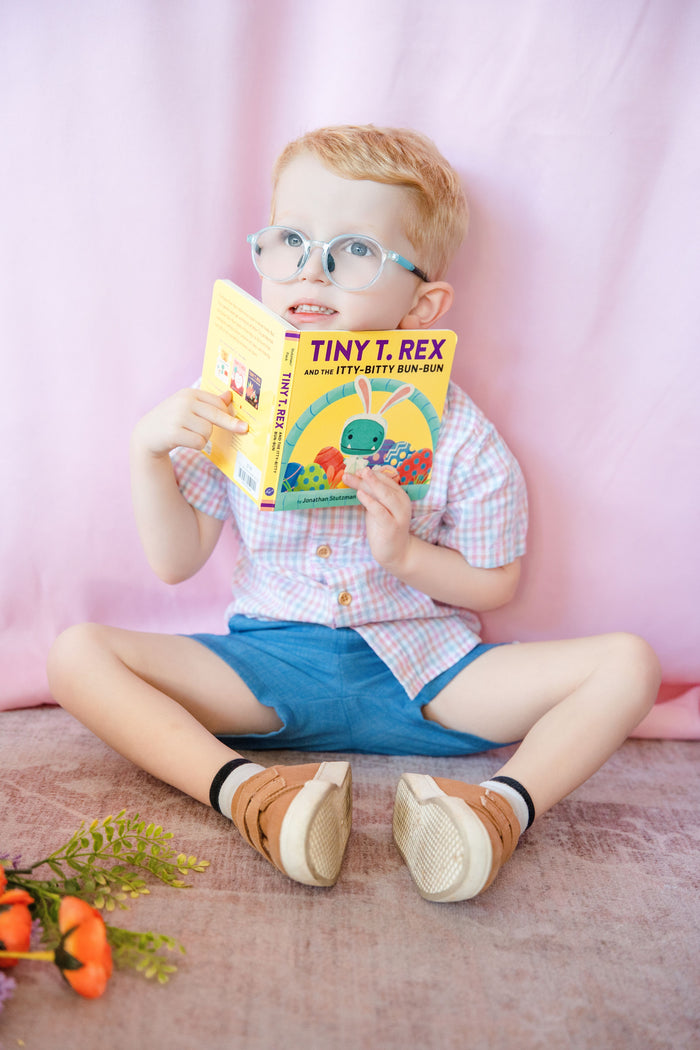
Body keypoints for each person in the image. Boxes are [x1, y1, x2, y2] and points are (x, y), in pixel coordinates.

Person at [47, 125, 661, 902]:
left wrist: (406, 556)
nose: (311, 269)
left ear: (421, 304)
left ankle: (496, 809)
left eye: (353, 252)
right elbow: (175, 562)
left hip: (431, 673)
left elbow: (495, 583)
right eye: (291, 241)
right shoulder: (235, 402)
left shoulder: (461, 433)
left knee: (629, 664)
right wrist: (147, 454)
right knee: (75, 654)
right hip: (270, 667)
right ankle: (250, 796)